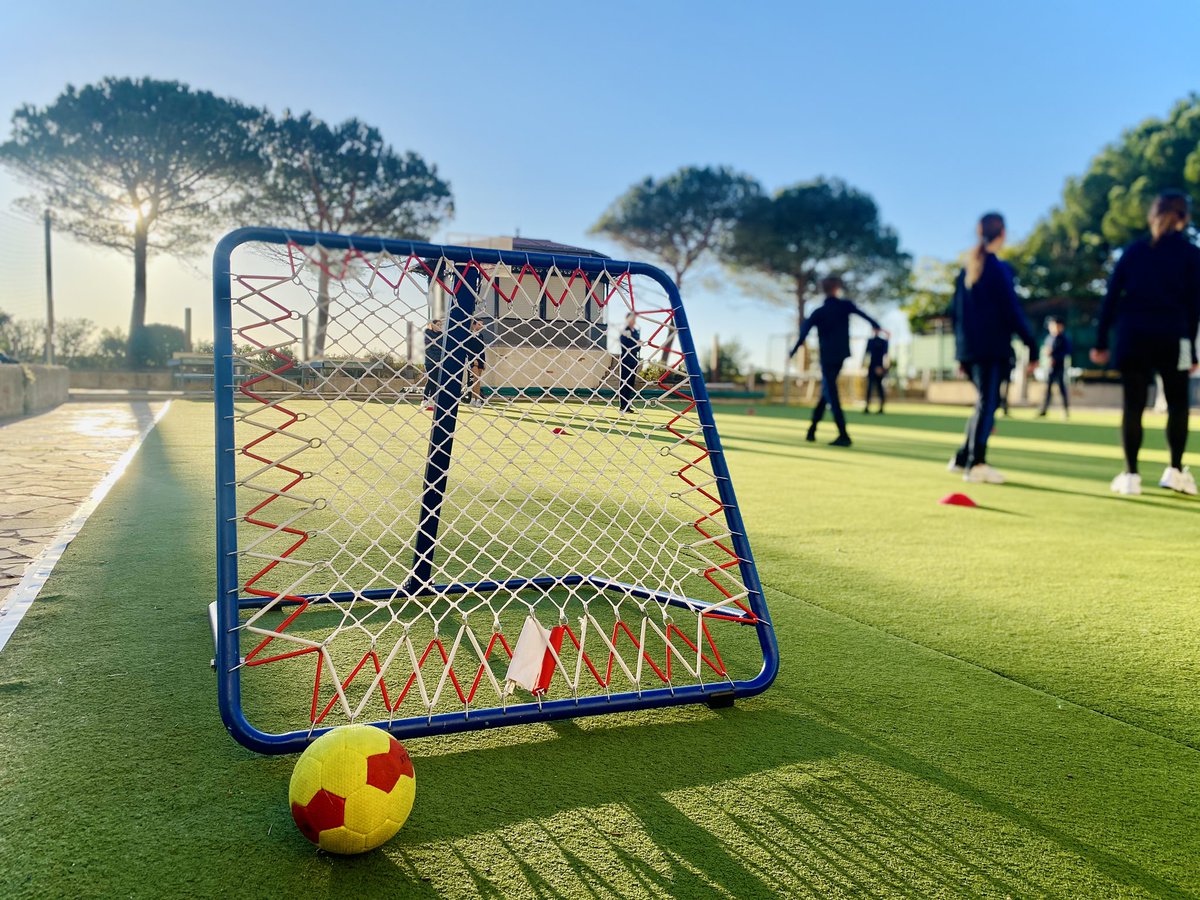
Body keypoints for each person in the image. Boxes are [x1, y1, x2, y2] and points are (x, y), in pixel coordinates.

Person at [1090, 190, 1200, 496]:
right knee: (1178, 405)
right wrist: (1191, 347)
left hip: (1133, 337)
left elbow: (1110, 299)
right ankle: (1175, 471)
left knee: (1133, 406)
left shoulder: (1135, 251)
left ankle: (1130, 476)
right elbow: (1195, 306)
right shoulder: (1191, 254)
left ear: (1153, 216)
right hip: (1173, 337)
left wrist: (1101, 341)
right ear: (1184, 218)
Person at [947, 212, 1038, 483]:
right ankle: (977, 464)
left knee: (984, 404)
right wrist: (1032, 345)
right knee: (988, 404)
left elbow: (957, 316)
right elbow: (1012, 311)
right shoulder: (997, 268)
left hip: (971, 350)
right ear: (1003, 235)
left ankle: (962, 457)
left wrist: (960, 354)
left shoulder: (967, 269)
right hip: (991, 349)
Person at [789, 275, 881, 447]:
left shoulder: (819, 312)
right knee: (827, 390)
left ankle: (843, 434)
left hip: (827, 357)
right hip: (840, 356)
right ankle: (812, 430)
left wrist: (792, 352)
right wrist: (878, 326)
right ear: (836, 288)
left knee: (830, 392)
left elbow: (803, 334)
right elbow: (866, 316)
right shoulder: (844, 306)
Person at [1037, 316, 1072, 418]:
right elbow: (1045, 351)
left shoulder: (1064, 338)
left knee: (1062, 389)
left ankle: (1066, 411)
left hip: (1060, 367)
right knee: (1048, 389)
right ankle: (1044, 410)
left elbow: (1067, 352)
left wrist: (1055, 357)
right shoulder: (1049, 338)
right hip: (1049, 368)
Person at [862, 328, 890, 414]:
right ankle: (867, 406)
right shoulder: (870, 341)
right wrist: (864, 365)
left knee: (879, 388)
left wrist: (883, 368)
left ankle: (881, 407)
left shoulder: (883, 341)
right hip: (871, 367)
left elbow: (886, 355)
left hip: (880, 367)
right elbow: (866, 355)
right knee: (869, 387)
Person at [618, 312, 641, 413]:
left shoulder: (636, 331)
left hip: (634, 359)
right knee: (625, 382)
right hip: (626, 358)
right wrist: (633, 342)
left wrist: (638, 343)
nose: (634, 320)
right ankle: (623, 406)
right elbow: (623, 344)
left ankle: (627, 405)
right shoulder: (624, 330)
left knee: (631, 383)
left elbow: (638, 348)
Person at [464, 318, 488, 408]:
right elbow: (467, 348)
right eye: (479, 324)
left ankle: (473, 400)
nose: (481, 326)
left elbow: (482, 349)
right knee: (476, 379)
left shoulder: (481, 335)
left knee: (477, 381)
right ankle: (477, 400)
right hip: (473, 359)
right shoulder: (468, 334)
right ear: (473, 325)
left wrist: (484, 361)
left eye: (482, 324)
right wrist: (473, 359)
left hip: (481, 359)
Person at [422, 318, 444, 407]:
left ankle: (433, 399)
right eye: (438, 325)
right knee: (431, 380)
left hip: (440, 361)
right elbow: (428, 349)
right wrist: (435, 360)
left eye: (440, 325)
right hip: (430, 362)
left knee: (436, 381)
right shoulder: (428, 333)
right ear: (433, 325)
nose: (439, 326)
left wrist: (440, 360)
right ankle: (425, 399)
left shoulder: (441, 335)